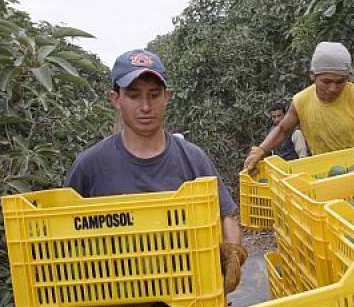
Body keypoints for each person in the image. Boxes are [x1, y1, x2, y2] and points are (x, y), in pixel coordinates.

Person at [64, 49, 247, 294]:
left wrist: (232, 251)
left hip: (187, 296)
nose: (145, 106)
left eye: (154, 95)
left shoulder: (192, 159)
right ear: (116, 99)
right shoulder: (90, 165)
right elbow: (63, 230)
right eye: (133, 96)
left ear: (166, 96)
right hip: (114, 300)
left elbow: (227, 215)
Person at [244, 41, 354, 173]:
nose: (333, 88)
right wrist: (260, 150)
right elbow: (283, 129)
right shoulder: (301, 101)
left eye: (340, 82)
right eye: (326, 82)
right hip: (325, 173)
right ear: (312, 76)